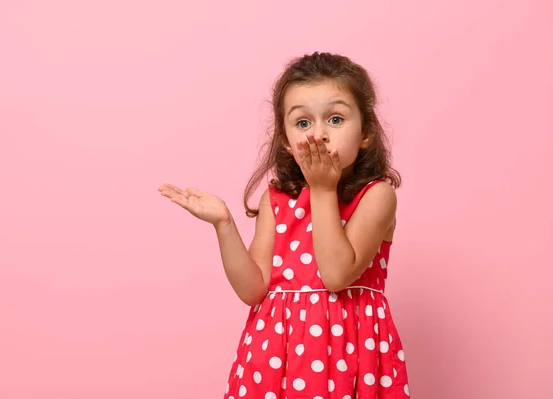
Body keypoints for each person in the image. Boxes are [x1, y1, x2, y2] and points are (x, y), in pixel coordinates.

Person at [159, 51, 410, 398]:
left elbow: (336, 275)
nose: (318, 135)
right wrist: (224, 224)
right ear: (286, 140)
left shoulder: (376, 196)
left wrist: (322, 189)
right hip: (277, 359)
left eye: (335, 119)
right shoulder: (276, 200)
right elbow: (253, 290)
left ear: (365, 131)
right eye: (303, 123)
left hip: (348, 354)